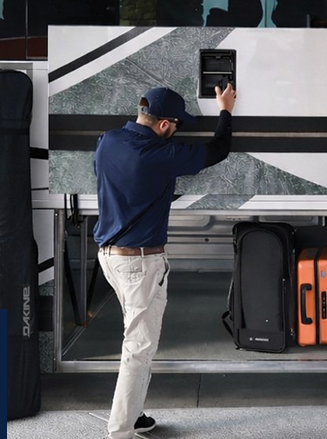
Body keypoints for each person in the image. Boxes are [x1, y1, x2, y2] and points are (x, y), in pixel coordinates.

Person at [93, 82, 238, 438]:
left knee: (137, 337)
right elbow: (218, 149)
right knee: (139, 347)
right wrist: (225, 110)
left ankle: (134, 414)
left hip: (110, 257)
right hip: (139, 264)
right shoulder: (161, 155)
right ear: (163, 124)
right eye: (176, 125)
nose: (176, 131)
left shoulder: (108, 140)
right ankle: (120, 431)